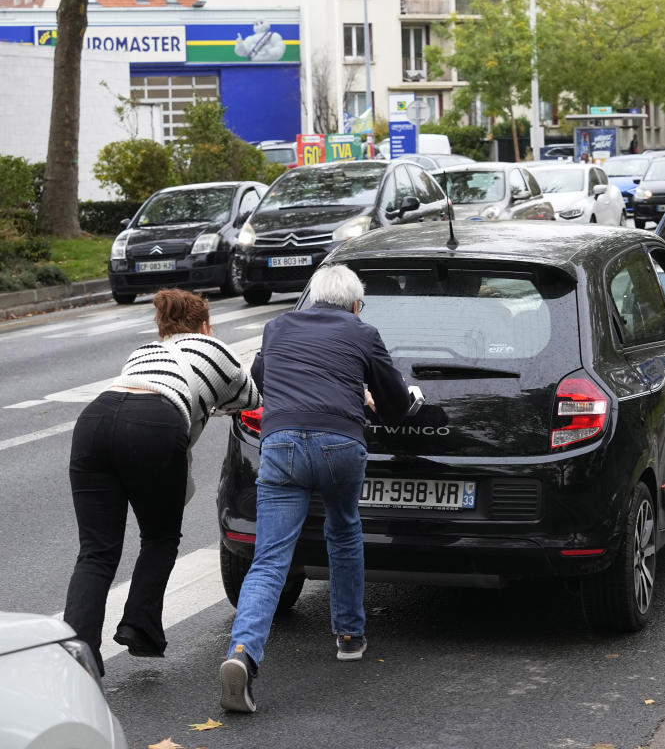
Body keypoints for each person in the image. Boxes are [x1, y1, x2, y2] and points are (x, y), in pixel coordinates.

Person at [219, 264, 411, 714]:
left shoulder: (276, 328)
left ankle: (242, 653)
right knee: (343, 530)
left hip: (281, 444)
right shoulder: (362, 332)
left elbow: (262, 384)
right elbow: (396, 403)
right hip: (340, 445)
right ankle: (349, 635)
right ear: (354, 304)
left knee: (269, 559)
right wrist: (364, 395)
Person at [64, 289, 261, 675]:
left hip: (94, 421)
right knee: (159, 536)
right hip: (154, 424)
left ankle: (77, 655)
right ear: (205, 325)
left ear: (162, 326)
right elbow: (252, 398)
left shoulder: (142, 353)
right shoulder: (214, 349)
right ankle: (140, 626)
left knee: (96, 552)